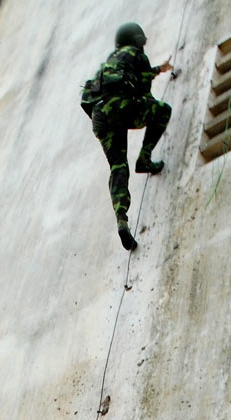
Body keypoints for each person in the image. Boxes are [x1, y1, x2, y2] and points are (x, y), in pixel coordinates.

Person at [81, 22, 173, 252]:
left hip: (101, 117)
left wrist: (158, 70)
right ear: (137, 39)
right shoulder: (135, 54)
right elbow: (144, 89)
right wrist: (157, 74)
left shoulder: (108, 63)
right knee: (161, 110)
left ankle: (122, 219)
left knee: (118, 167)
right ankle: (144, 158)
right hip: (122, 108)